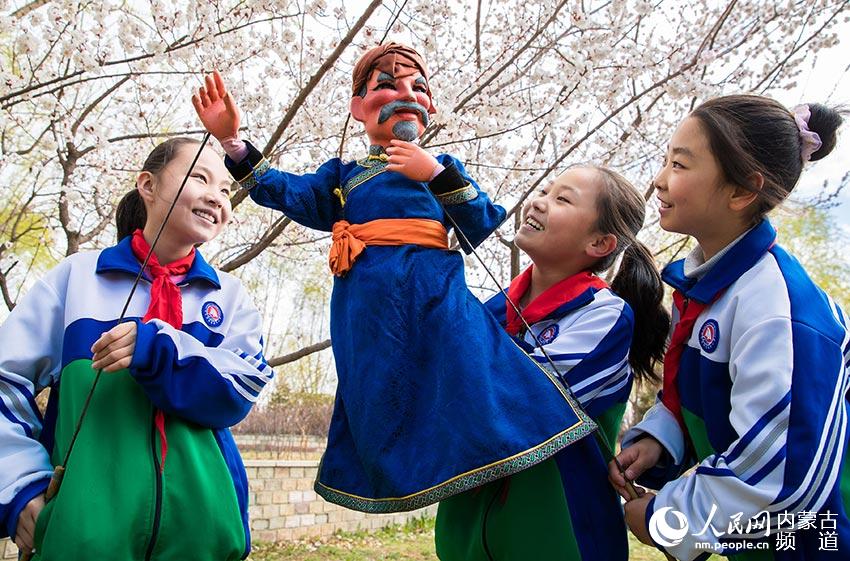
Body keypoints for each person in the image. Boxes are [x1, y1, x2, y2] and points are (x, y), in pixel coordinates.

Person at [192, 43, 595, 513]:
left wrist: (436, 174)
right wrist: (233, 144)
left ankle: (501, 442)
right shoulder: (343, 176)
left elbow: (481, 222)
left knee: (466, 369)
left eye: (417, 87)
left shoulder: (441, 167)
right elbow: (287, 191)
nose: (406, 94)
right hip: (367, 303)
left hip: (433, 293)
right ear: (358, 108)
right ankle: (389, 473)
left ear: (431, 107)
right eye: (386, 86)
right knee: (378, 388)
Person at [0, 138, 273, 560]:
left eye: (225, 189)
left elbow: (243, 388)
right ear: (147, 185)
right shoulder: (76, 278)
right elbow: (5, 382)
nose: (216, 196)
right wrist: (20, 487)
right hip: (84, 542)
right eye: (199, 177)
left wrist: (158, 348)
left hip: (201, 541)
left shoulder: (230, 296)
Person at [609, 95, 849, 560]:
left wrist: (670, 519)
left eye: (679, 165)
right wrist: (662, 437)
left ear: (742, 191)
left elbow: (781, 472)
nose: (659, 180)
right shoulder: (710, 289)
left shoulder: (776, 309)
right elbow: (698, 395)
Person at [435, 165, 669, 560]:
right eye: (544, 190)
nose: (539, 202)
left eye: (562, 199)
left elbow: (512, 399)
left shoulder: (604, 315)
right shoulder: (492, 310)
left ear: (599, 243)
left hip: (561, 537)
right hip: (465, 537)